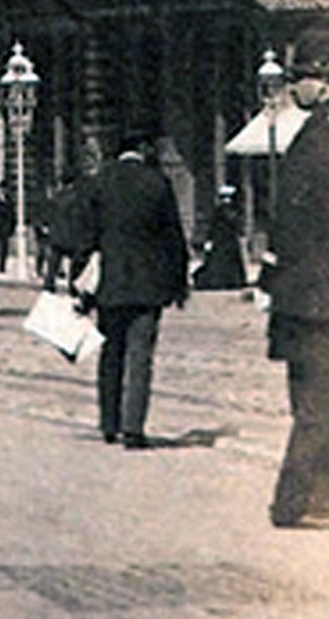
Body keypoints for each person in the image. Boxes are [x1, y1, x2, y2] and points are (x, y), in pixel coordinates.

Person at [261, 25, 329, 528]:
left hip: (308, 295)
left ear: (326, 78)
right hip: (321, 298)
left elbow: (292, 222)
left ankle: (322, 499)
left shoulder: (317, 139)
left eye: (300, 77)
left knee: (316, 403)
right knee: (320, 405)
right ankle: (294, 502)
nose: (292, 88)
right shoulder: (323, 137)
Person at [75, 135, 190, 450]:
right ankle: (134, 428)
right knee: (140, 356)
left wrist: (79, 283)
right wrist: (179, 282)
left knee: (110, 353)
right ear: (143, 150)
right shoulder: (157, 183)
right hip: (149, 284)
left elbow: (85, 236)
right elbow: (173, 237)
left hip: (110, 282)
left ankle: (109, 423)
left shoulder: (100, 183)